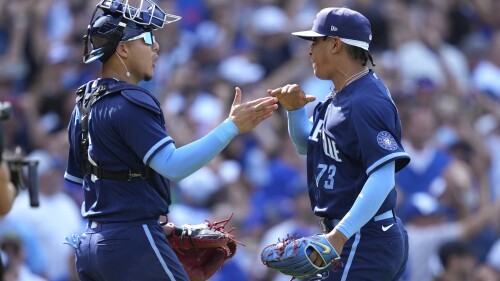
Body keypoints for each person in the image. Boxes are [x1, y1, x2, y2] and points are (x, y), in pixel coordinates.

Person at [63, 1, 278, 281]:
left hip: (91, 246)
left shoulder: (83, 103)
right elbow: (173, 166)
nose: (157, 47)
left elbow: (86, 181)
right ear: (123, 49)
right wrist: (232, 127)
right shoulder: (130, 101)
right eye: (148, 38)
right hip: (133, 243)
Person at [268, 7, 411, 280]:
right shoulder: (341, 93)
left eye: (315, 41)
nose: (309, 51)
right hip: (353, 235)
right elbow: (308, 146)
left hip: (362, 238)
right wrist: (295, 111)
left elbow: (383, 177)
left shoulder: (366, 100)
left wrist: (339, 236)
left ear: (335, 44)